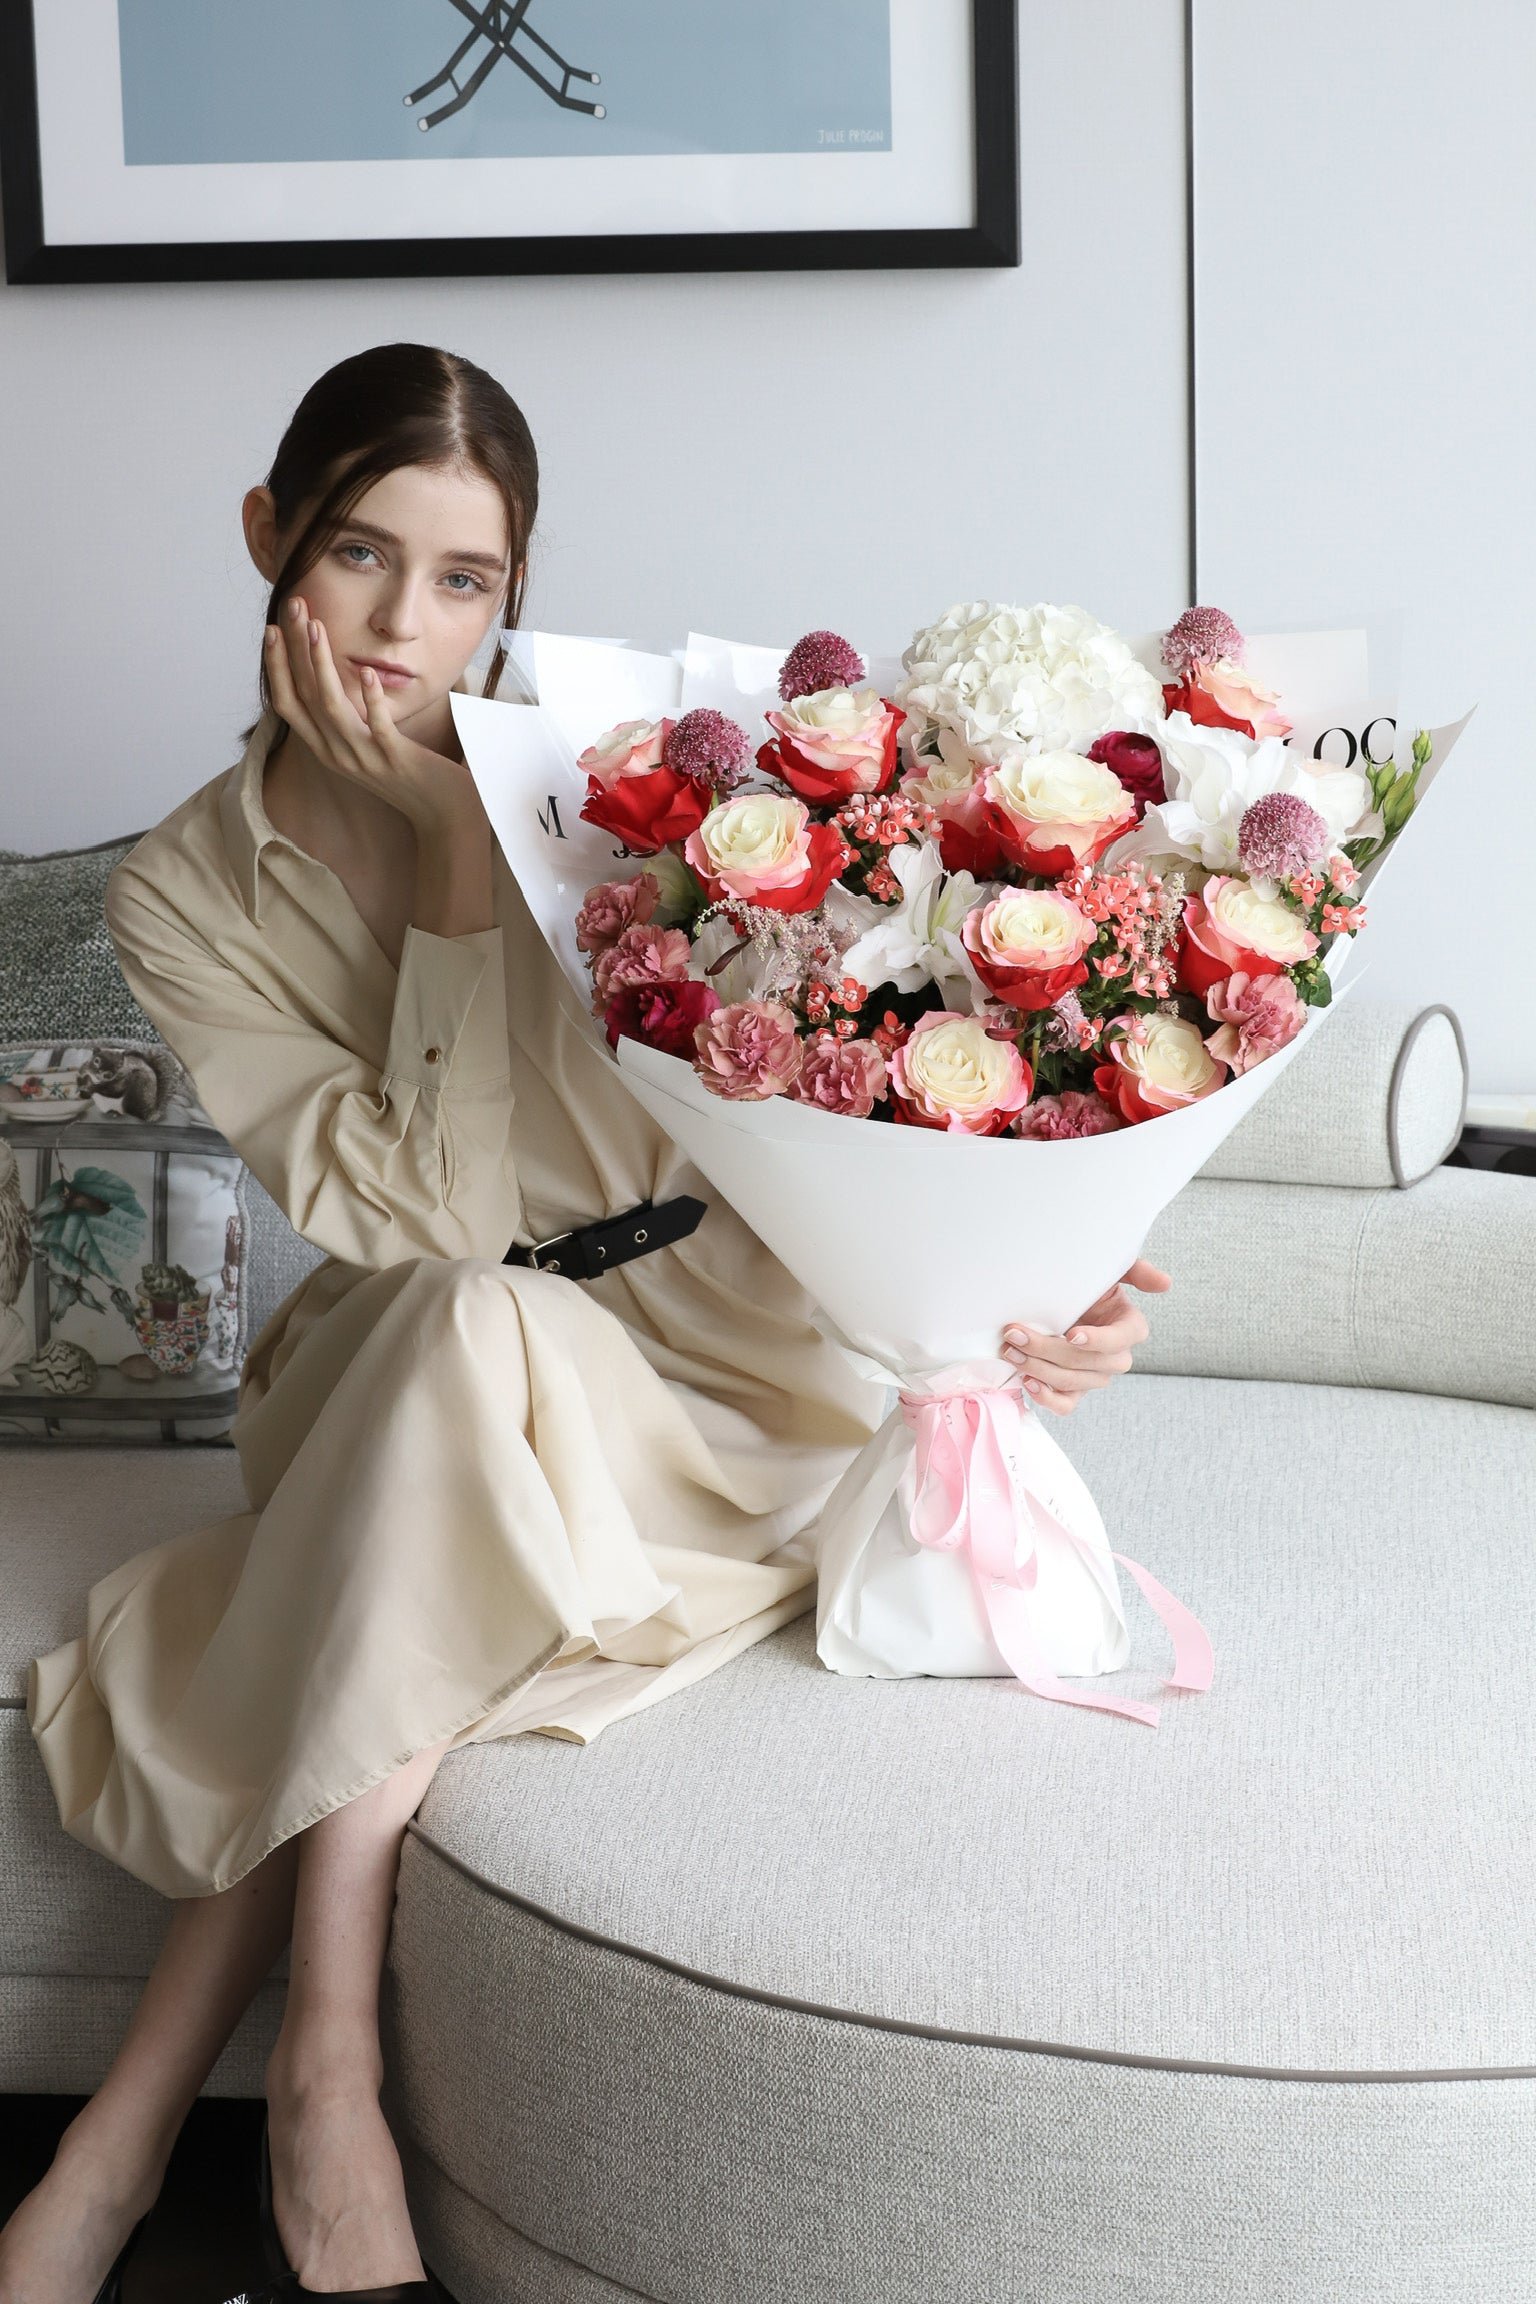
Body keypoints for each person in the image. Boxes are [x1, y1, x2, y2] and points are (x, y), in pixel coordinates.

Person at [0, 343, 1168, 2304]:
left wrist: (1038, 1287)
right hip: (415, 1365)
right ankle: (297, 2080)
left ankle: (212, 2107)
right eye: (361, 553)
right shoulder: (187, 892)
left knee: (459, 1382)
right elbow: (427, 1220)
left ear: (512, 597)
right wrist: (457, 857)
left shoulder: (627, 774)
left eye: (464, 581)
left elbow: (852, 1056)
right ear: (268, 537)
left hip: (727, 1372)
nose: (404, 624)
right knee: (465, 1329)